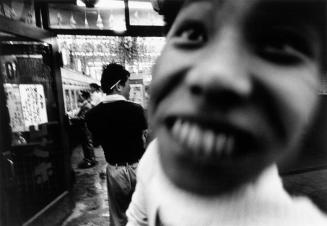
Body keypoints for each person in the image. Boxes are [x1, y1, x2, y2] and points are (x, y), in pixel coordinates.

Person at [126, 0, 327, 225]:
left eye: (277, 46)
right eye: (193, 33)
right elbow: (137, 219)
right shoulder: (154, 160)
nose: (215, 74)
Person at [86, 63, 148, 226]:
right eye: (127, 84)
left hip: (114, 170)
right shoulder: (136, 110)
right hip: (137, 168)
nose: (129, 88)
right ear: (119, 86)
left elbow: (97, 142)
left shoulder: (92, 115)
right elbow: (145, 139)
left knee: (118, 217)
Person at [69, 90, 97, 169]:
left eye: (80, 96)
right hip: (86, 127)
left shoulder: (86, 106)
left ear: (83, 97)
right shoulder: (86, 105)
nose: (78, 97)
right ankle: (89, 159)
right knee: (87, 144)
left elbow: (82, 118)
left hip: (86, 128)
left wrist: (73, 118)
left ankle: (90, 160)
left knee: (87, 144)